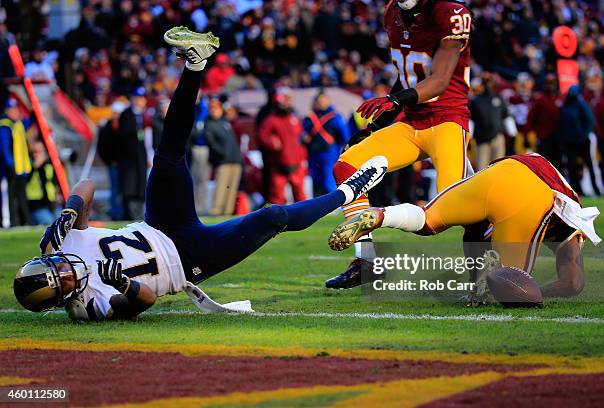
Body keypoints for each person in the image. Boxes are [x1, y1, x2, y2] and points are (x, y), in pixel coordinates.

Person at [13, 27, 389, 321]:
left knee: (167, 154)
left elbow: (87, 184)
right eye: (62, 280)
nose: (65, 269)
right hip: (188, 258)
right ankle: (348, 192)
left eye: (56, 266)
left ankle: (195, 63)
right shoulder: (87, 305)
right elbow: (141, 303)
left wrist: (69, 211)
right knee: (271, 216)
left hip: (158, 223)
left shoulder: (57, 244)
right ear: (61, 298)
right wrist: (121, 282)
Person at [326, 0, 474, 289]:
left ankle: (490, 268)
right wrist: (376, 126)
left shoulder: (451, 14)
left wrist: (395, 100)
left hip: (447, 120)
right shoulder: (393, 13)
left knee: (449, 210)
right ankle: (366, 261)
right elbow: (407, 77)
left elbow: (439, 80)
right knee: (347, 165)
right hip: (410, 123)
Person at [329, 153, 600, 300]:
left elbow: (474, 234)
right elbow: (573, 283)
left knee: (426, 219)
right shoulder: (571, 225)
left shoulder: (563, 215)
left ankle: (379, 215)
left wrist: (475, 283)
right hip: (535, 192)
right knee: (511, 288)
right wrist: (536, 291)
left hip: (505, 167)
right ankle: (484, 290)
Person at [257, 88, 307, 205]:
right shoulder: (270, 121)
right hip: (278, 165)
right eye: (284, 100)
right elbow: (262, 137)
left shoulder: (294, 119)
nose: (287, 103)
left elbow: (300, 140)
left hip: (296, 164)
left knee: (300, 195)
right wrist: (271, 142)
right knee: (277, 196)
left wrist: (303, 157)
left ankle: (304, 219)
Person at [303, 91, 350, 197]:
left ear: (328, 101)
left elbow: (344, 136)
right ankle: (316, 201)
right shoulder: (310, 117)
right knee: (315, 179)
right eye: (319, 101)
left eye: (323, 100)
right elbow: (303, 132)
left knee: (328, 178)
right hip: (313, 153)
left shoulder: (335, 117)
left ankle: (331, 201)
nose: (321, 103)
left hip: (329, 153)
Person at [559, 85, 601, 196]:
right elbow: (561, 124)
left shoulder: (582, 105)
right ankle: (577, 191)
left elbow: (590, 122)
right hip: (569, 142)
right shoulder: (565, 106)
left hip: (582, 141)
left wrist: (583, 136)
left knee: (589, 165)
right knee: (572, 167)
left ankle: (596, 190)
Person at [205, 98, 242, 216]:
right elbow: (212, 143)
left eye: (217, 108)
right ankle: (217, 211)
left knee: (231, 189)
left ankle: (228, 212)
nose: (215, 111)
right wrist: (221, 155)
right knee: (221, 187)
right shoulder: (209, 124)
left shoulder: (225, 122)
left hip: (235, 160)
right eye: (213, 109)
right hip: (223, 161)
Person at [118, 87, 149, 219]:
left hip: (139, 159)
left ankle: (138, 214)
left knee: (140, 186)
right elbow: (125, 138)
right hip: (129, 160)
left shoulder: (141, 116)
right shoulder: (126, 115)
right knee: (130, 187)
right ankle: (130, 214)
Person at [0, 98, 32, 226]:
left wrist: (33, 112)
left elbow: (28, 123)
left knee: (21, 196)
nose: (15, 112)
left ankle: (26, 221)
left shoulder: (17, 124)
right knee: (10, 197)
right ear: (7, 110)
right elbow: (4, 146)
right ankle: (10, 222)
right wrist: (10, 164)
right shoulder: (5, 125)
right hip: (10, 169)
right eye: (12, 109)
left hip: (21, 168)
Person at [469, 75, 509, 170]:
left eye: (490, 82)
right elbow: (471, 120)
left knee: (498, 167)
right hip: (482, 139)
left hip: (497, 137)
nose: (488, 85)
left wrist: (513, 134)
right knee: (482, 168)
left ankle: (498, 185)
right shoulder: (476, 101)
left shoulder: (499, 98)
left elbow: (506, 116)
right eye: (486, 82)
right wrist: (469, 138)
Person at [26, 141, 58, 225]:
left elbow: (54, 183)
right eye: (35, 152)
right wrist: (35, 167)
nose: (37, 154)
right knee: (49, 222)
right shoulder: (29, 167)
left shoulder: (50, 166)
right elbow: (24, 183)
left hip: (52, 204)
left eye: (40, 152)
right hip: (37, 206)